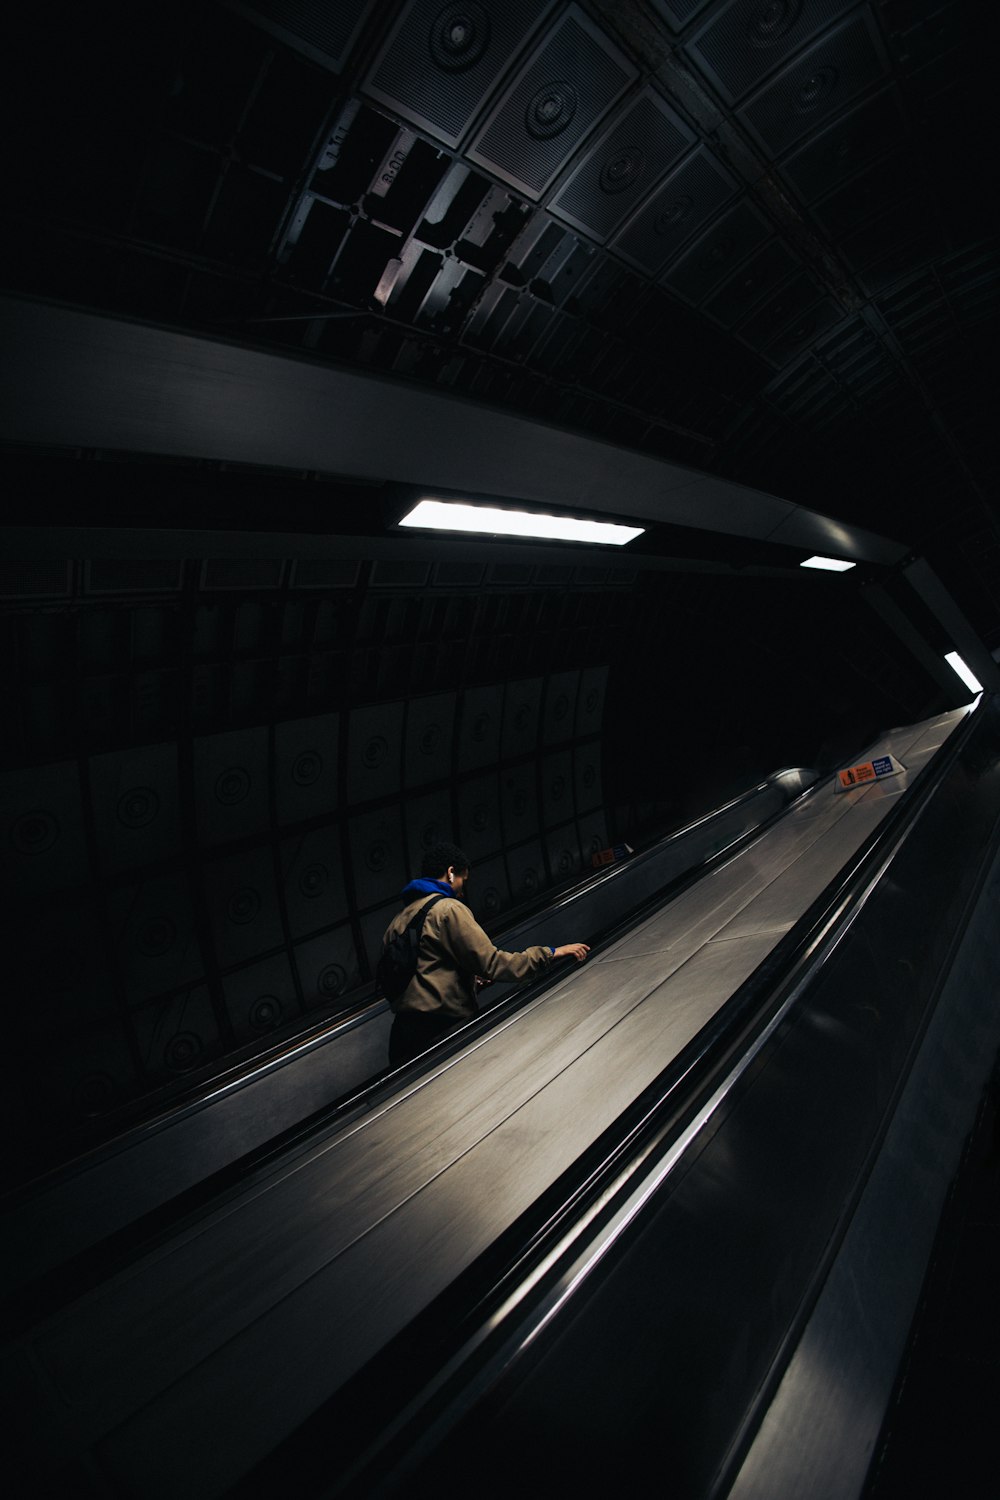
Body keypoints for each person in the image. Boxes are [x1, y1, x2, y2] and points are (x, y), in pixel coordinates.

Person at [383, 841, 590, 1066]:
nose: (462, 891)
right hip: (443, 1029)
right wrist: (549, 953)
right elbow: (493, 963)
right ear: (451, 873)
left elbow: (423, 976)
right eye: (463, 880)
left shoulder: (398, 921)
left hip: (403, 1034)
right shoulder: (448, 909)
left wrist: (470, 982)